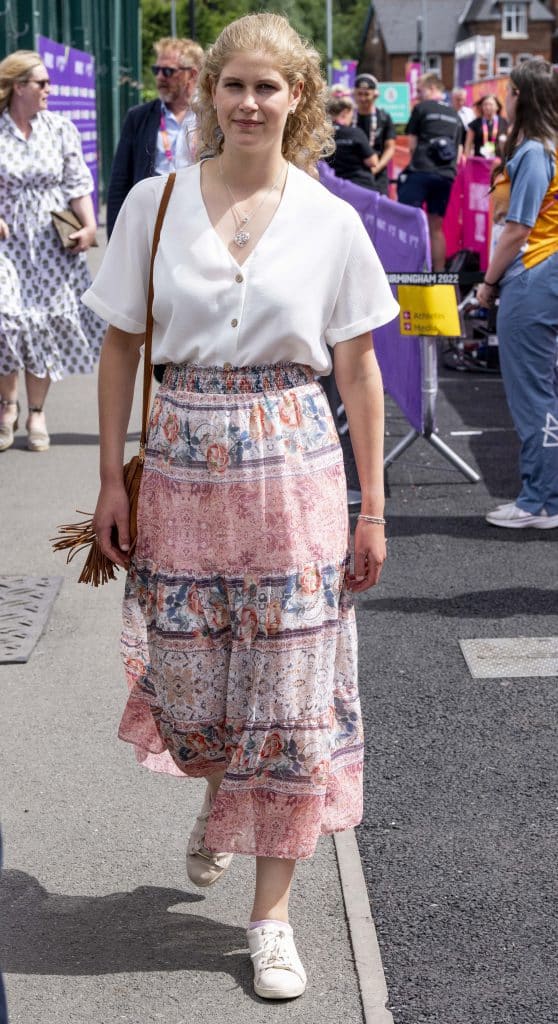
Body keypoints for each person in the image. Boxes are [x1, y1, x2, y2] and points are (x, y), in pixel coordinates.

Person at [82, 12, 398, 1000]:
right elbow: (121, 345)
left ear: (299, 98)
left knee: (291, 701)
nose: (250, 103)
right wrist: (109, 477)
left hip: (296, 472)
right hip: (180, 470)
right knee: (197, 694)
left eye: (270, 86)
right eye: (235, 85)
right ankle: (224, 795)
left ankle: (272, 918)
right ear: (210, 94)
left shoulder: (332, 220)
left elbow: (359, 370)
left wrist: (373, 508)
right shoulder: (155, 203)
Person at [0, 50, 104, 453]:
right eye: (41, 83)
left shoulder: (60, 129)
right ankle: (7, 405)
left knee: (42, 324)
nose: (49, 89)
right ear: (18, 87)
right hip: (8, 243)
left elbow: (78, 183)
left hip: (50, 245)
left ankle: (36, 412)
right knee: (7, 321)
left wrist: (89, 225)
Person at [477, 59, 558, 529]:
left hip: (532, 276)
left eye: (508, 91)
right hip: (544, 274)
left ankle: (539, 501)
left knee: (533, 395)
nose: (503, 98)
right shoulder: (547, 146)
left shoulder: (533, 152)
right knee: (542, 391)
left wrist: (488, 283)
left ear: (521, 97)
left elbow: (517, 229)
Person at [106, 37, 204, 237]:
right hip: (151, 222)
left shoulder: (210, 117)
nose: (159, 77)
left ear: (192, 74)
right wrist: (115, 237)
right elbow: (120, 182)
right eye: (156, 70)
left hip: (198, 220)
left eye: (168, 71)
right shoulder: (138, 117)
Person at [397, 72, 463, 270]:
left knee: (407, 222)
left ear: (433, 88)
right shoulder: (455, 114)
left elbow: (412, 145)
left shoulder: (421, 108)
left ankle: (410, 270)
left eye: (420, 91)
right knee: (436, 227)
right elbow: (459, 151)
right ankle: (439, 275)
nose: (417, 95)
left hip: (421, 171)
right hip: (445, 176)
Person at [352, 73, 396, 195]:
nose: (363, 98)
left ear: (375, 95)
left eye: (367, 94)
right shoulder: (349, 117)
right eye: (359, 94)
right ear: (354, 94)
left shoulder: (383, 117)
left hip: (378, 173)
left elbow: (390, 147)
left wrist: (377, 167)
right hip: (353, 173)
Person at [326, 95, 379, 190]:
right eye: (352, 114)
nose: (352, 118)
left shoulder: (323, 135)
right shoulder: (355, 133)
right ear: (345, 112)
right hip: (359, 186)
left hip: (332, 186)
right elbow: (373, 162)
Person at [464, 94, 509, 160]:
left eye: (490, 104)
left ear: (497, 107)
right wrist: (468, 159)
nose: (487, 107)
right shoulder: (475, 124)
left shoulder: (504, 123)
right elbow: (468, 144)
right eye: (485, 104)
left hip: (498, 161)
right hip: (479, 161)